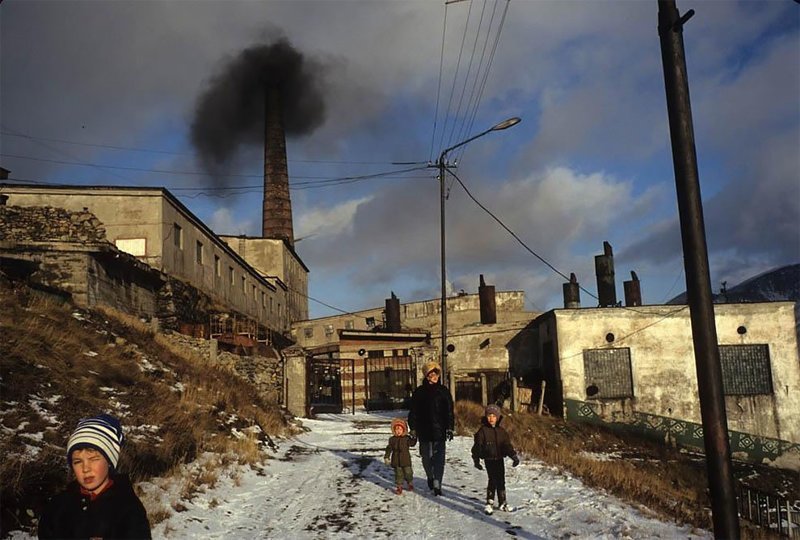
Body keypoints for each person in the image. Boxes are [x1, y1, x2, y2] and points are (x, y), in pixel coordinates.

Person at [38, 413, 152, 539]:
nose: (85, 469)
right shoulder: (57, 506)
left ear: (109, 461)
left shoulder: (128, 510)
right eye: (77, 462)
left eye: (93, 459)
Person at [407, 360, 454, 496]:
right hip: (424, 430)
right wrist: (413, 429)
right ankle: (430, 476)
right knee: (426, 457)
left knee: (439, 458)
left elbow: (449, 411)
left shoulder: (443, 391)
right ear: (427, 375)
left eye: (436, 374)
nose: (435, 376)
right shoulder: (419, 392)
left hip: (440, 430)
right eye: (432, 374)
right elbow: (413, 412)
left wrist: (450, 428)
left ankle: (437, 482)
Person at [471, 404, 520, 514]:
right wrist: (476, 460)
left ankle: (503, 503)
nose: (491, 418)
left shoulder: (502, 432)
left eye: (494, 416)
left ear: (498, 417)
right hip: (489, 459)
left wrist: (513, 456)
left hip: (499, 459)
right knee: (492, 479)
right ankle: (489, 503)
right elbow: (477, 446)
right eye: (489, 416)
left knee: (501, 480)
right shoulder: (482, 431)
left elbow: (507, 446)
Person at [383, 417, 417, 494]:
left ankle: (410, 482)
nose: (398, 431)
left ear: (403, 430)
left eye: (400, 429)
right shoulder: (392, 439)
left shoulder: (406, 438)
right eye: (396, 429)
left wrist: (414, 437)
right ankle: (399, 486)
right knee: (398, 474)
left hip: (405, 460)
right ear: (394, 430)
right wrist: (386, 456)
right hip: (396, 460)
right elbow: (389, 448)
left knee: (408, 472)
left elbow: (412, 444)